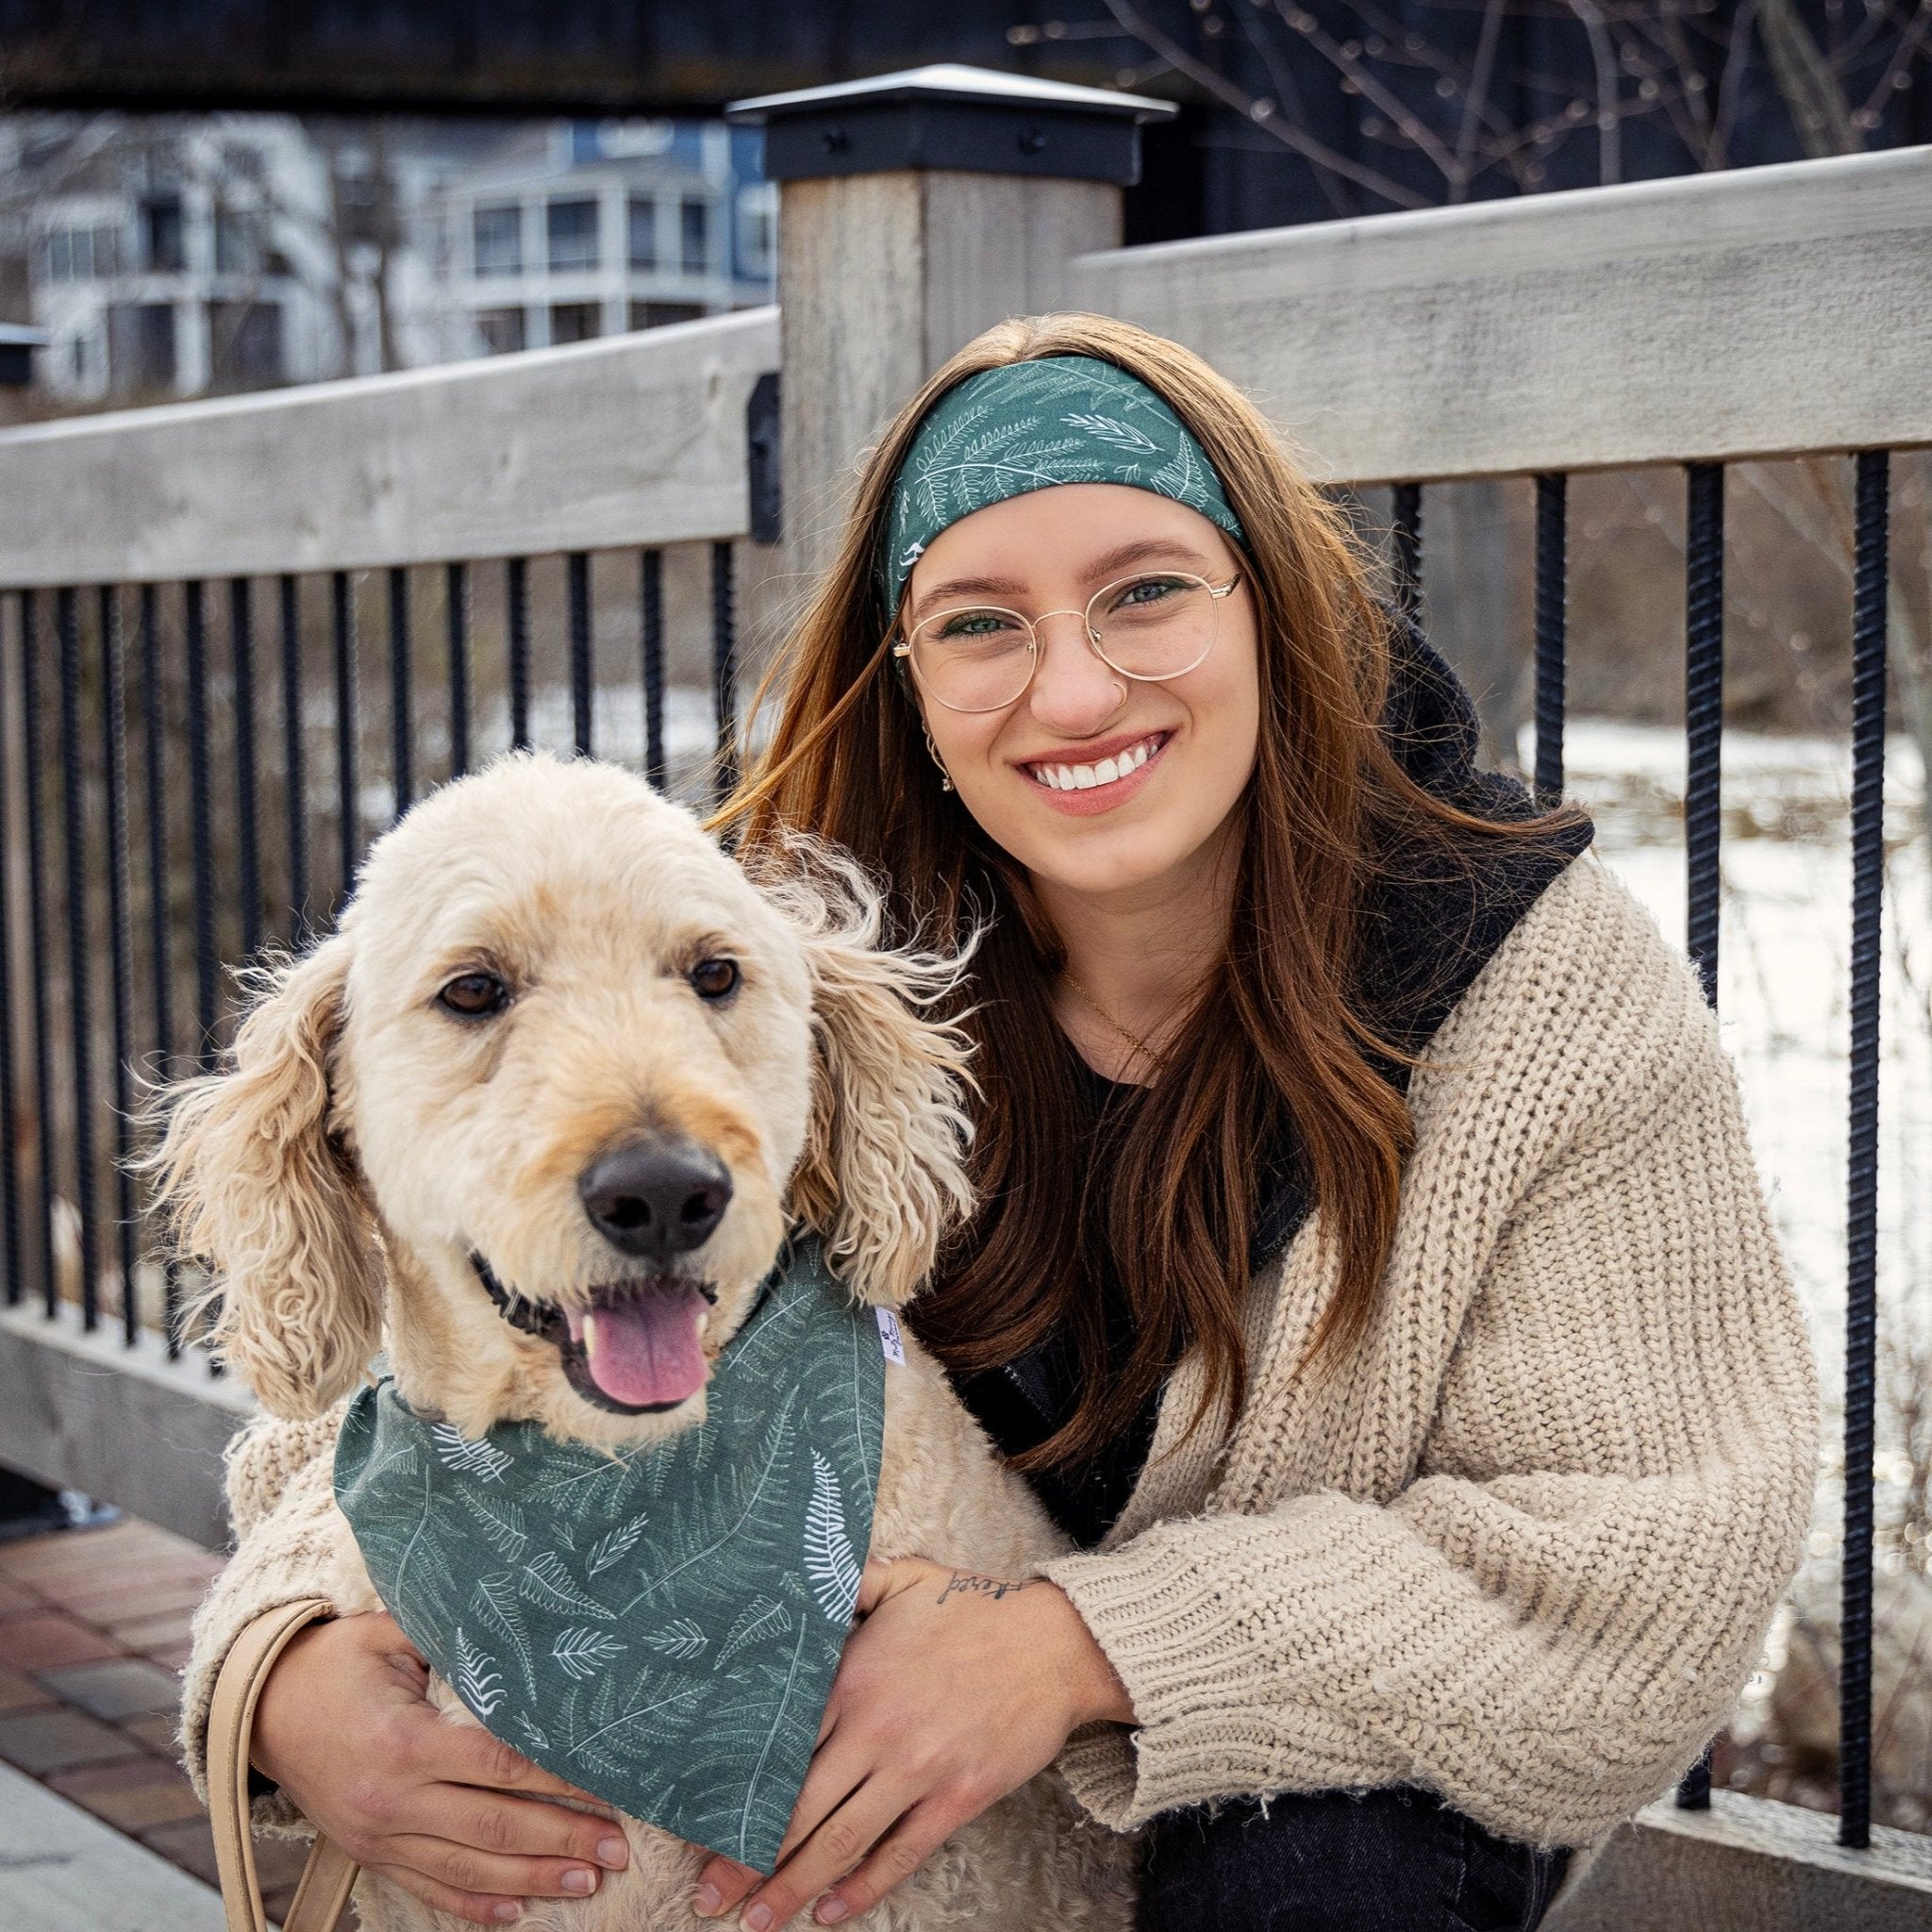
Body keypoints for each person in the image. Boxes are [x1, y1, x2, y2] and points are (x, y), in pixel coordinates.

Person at [179, 315, 1818, 1932]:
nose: (1076, 689)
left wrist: (1073, 1648)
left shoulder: (1542, 990)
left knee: (1300, 1879)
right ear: (905, 674)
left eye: (1147, 591)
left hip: (1345, 1755)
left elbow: (1645, 1564)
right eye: (979, 622)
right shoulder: (778, 951)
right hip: (877, 1812)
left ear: (1276, 603)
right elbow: (442, 1359)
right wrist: (281, 1660)